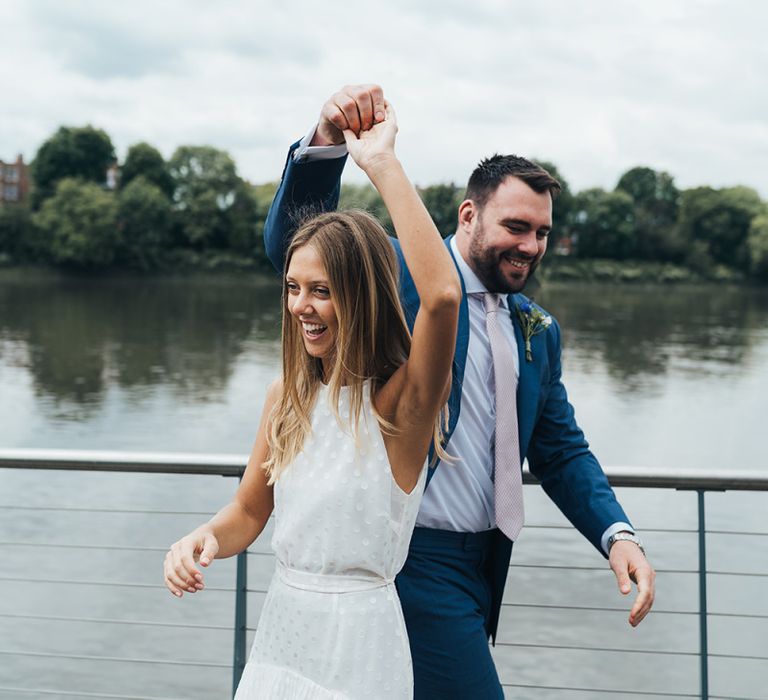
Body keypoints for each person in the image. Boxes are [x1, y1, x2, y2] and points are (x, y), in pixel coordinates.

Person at [262, 83, 657, 699]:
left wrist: (617, 534)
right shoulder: (402, 278)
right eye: (517, 227)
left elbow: (560, 450)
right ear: (468, 216)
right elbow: (296, 243)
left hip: (484, 565)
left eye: (542, 233)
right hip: (413, 556)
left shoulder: (537, 329)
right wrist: (325, 144)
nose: (530, 246)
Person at [163, 103, 461, 699]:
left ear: (361, 297)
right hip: (283, 633)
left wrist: (380, 162)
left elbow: (444, 297)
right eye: (293, 288)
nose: (301, 306)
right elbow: (250, 511)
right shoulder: (286, 397)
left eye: (322, 291)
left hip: (361, 646)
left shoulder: (401, 404)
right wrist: (204, 539)